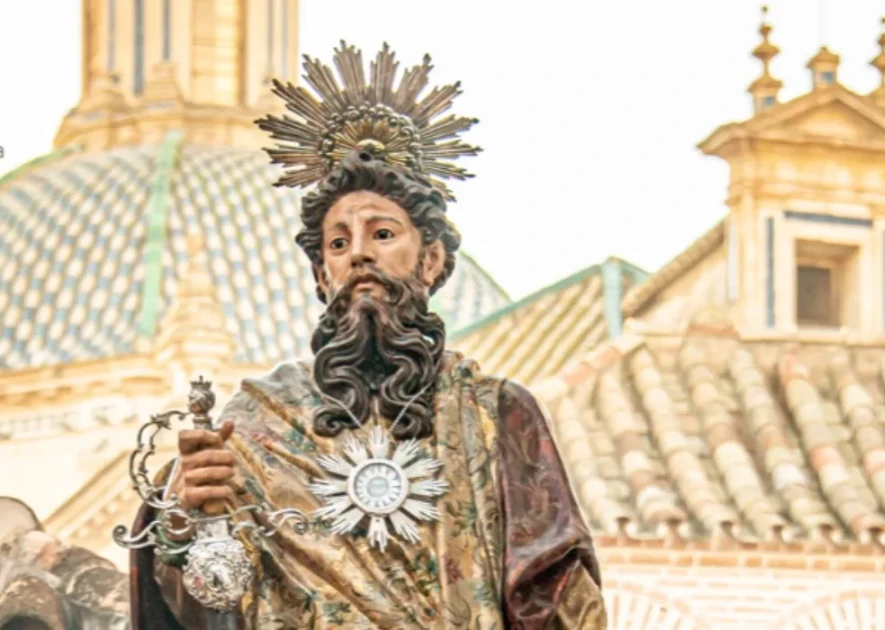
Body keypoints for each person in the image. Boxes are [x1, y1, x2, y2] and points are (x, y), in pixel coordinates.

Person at [127, 42, 606, 629]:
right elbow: (214, 600)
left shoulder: (497, 415)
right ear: (322, 275)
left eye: (382, 233)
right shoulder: (256, 426)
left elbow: (557, 595)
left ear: (431, 260)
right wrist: (187, 520)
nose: (358, 253)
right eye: (337, 242)